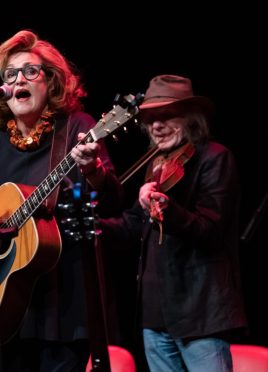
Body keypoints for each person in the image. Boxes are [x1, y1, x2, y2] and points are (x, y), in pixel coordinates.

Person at [0, 30, 123, 371]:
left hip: (59, 310)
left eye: (30, 72)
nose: (18, 79)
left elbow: (112, 204)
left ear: (50, 82)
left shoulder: (77, 127)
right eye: (9, 74)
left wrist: (92, 169)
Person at [100, 75, 247, 371]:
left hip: (200, 316)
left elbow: (211, 231)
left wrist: (169, 209)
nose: (156, 125)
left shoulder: (214, 158)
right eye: (150, 118)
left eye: (167, 115)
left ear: (191, 118)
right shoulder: (155, 163)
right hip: (154, 317)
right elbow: (132, 225)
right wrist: (93, 226)